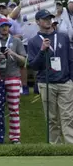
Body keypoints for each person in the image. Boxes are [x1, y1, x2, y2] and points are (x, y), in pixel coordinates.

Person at [27, 9, 73, 144]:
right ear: (37, 22)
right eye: (44, 18)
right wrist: (42, 50)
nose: (48, 20)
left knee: (68, 117)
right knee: (52, 118)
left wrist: (71, 79)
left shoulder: (63, 36)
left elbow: (70, 59)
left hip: (65, 82)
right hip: (46, 83)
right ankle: (56, 148)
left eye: (49, 18)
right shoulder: (33, 41)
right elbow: (34, 65)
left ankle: (70, 148)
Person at [0, 17, 26, 144]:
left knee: (14, 109)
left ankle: (15, 137)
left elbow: (23, 61)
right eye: (1, 26)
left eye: (6, 25)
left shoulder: (16, 41)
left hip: (14, 77)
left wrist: (13, 54)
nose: (4, 28)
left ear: (9, 27)